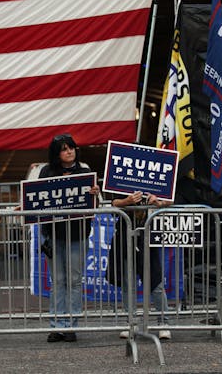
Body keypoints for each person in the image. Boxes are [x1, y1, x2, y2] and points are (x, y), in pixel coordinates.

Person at [38, 133, 99, 343]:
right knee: (58, 281)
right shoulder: (47, 172)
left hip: (77, 234)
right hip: (53, 234)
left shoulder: (85, 172)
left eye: (71, 147)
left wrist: (94, 194)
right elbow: (36, 200)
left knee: (74, 281)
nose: (69, 151)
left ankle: (71, 325)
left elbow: (94, 207)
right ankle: (56, 325)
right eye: (64, 149)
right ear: (57, 153)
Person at [108, 191, 172, 341]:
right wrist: (127, 201)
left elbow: (173, 199)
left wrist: (160, 203)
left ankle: (164, 323)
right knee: (127, 284)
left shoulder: (158, 179)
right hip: (125, 236)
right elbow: (113, 203)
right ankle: (131, 323)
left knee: (156, 282)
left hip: (149, 237)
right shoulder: (121, 179)